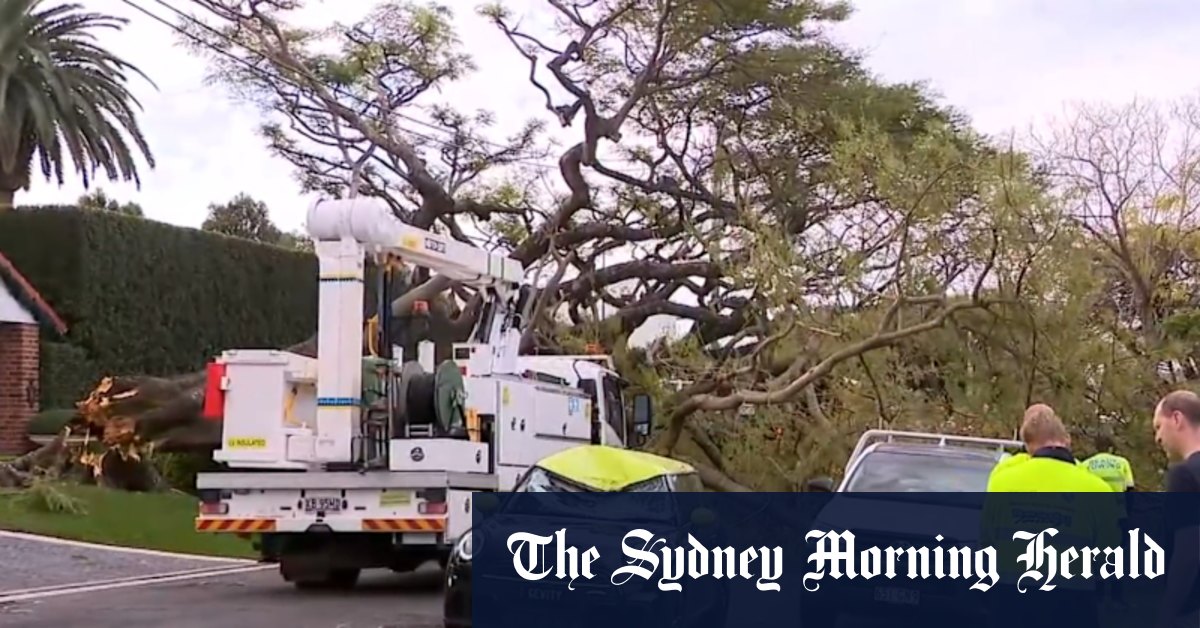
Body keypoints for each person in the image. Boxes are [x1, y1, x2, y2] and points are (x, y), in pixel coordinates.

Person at [983, 404, 1114, 628]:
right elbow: (1108, 555)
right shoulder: (1098, 489)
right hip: (1073, 604)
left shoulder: (1001, 481)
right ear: (1067, 440)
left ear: (1027, 445)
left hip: (1011, 600)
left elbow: (987, 542)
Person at [1152, 390, 1200, 628]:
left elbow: (1187, 552)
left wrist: (1167, 613)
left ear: (1177, 419)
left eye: (1159, 427)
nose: (1157, 438)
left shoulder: (1184, 476)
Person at [1083, 433, 1133, 606]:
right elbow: (1129, 492)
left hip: (1094, 515)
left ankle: (1097, 591)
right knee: (1117, 555)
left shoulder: (1086, 464)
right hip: (1117, 514)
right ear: (1111, 448)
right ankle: (1116, 594)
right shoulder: (1122, 463)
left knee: (1094, 554)